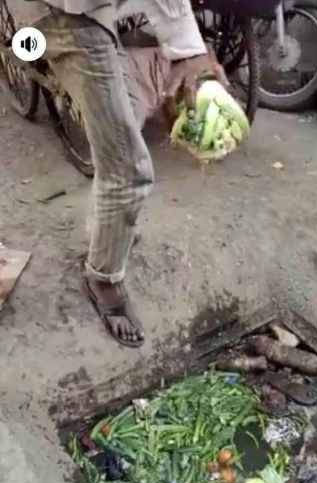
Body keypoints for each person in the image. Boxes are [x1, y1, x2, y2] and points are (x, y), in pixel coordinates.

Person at [14, 0, 227, 347]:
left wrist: (187, 46)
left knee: (122, 132)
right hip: (70, 11)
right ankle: (103, 279)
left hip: (92, 9)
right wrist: (187, 47)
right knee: (128, 168)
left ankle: (109, 231)